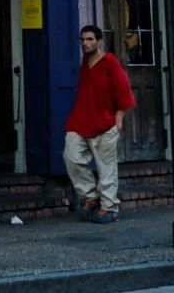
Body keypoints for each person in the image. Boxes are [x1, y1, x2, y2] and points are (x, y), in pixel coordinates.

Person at [64, 24, 135, 224]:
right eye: (82, 40)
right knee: (71, 156)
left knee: (106, 168)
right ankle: (90, 197)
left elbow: (123, 89)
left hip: (105, 122)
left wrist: (119, 116)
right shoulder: (85, 63)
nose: (85, 43)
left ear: (99, 41)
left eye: (90, 39)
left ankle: (110, 207)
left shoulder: (109, 62)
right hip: (81, 120)